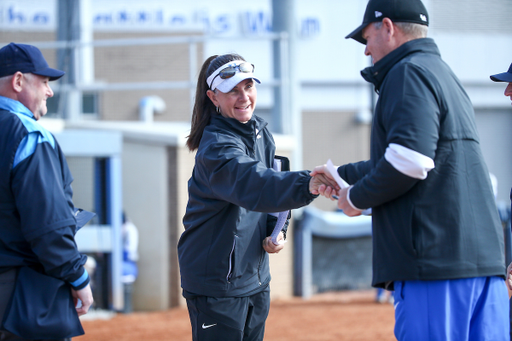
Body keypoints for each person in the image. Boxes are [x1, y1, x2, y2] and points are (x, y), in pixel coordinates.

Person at [312, 0, 508, 340]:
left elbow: (412, 161)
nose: (366, 50)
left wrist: (354, 197)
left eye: (367, 37)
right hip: (481, 266)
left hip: (434, 267)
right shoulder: (443, 73)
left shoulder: (407, 71)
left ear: (388, 27)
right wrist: (344, 175)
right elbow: (430, 161)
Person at [178, 53, 338, 341]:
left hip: (255, 277)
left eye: (249, 86)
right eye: (233, 91)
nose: (244, 97)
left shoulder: (261, 132)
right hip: (215, 284)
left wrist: (275, 231)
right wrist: (310, 183)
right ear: (213, 97)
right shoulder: (216, 148)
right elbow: (257, 185)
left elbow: (273, 187)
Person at [0, 43, 93, 340]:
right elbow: (48, 225)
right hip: (18, 294)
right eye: (43, 82)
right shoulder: (28, 135)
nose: (49, 92)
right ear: (18, 81)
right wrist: (77, 277)